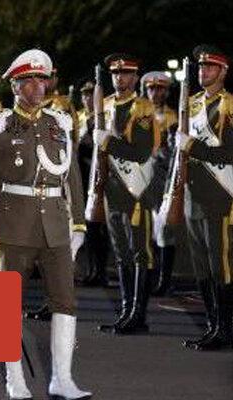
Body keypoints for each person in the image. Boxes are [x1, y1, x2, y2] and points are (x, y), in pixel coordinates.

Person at [0, 49, 91, 400]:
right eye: (30, 80)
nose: (39, 86)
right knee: (8, 307)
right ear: (15, 85)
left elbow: (72, 176)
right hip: (13, 226)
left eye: (43, 79)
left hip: (55, 225)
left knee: (65, 301)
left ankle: (62, 380)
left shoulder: (59, 123)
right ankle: (16, 381)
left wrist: (79, 223)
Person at [95, 54, 158, 335]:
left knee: (139, 252)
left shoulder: (142, 108)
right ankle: (125, 310)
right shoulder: (105, 105)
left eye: (125, 73)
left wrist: (107, 141)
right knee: (120, 252)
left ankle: (138, 314)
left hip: (137, 189)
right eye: (115, 73)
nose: (119, 78)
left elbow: (141, 152)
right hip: (113, 189)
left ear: (135, 77)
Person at [177, 45, 233, 351]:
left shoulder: (229, 105)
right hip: (193, 196)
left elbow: (229, 153)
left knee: (220, 266)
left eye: (210, 67)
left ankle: (225, 329)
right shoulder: (192, 103)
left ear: (223, 72)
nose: (204, 71)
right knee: (201, 266)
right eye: (201, 67)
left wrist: (192, 146)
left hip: (220, 196)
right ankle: (212, 325)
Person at [140, 71, 178, 296]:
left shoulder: (173, 117)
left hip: (162, 177)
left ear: (167, 92)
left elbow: (174, 151)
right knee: (144, 228)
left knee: (163, 227)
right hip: (140, 178)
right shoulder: (137, 113)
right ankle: (148, 277)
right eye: (152, 88)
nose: (155, 93)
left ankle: (164, 280)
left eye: (160, 89)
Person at [77, 80, 110, 287]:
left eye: (91, 95)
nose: (88, 99)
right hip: (82, 175)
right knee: (87, 227)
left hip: (98, 174)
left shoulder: (104, 116)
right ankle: (90, 269)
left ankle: (101, 270)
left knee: (101, 227)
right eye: (85, 95)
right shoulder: (79, 117)